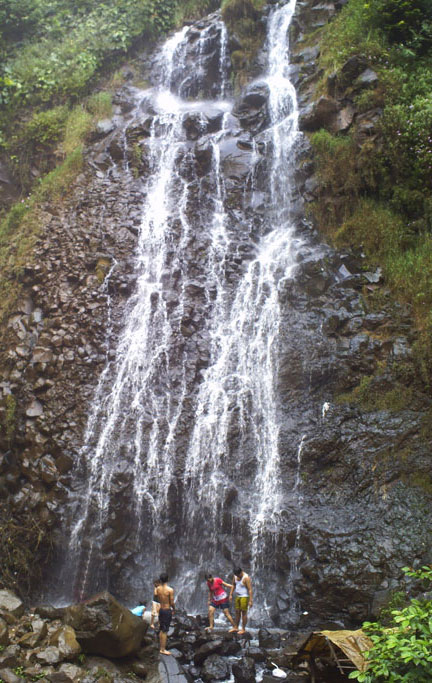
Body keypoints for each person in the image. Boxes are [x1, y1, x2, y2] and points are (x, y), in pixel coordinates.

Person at [155, 572, 175, 655]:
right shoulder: (170, 590)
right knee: (165, 630)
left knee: (161, 628)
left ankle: (160, 647)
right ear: (167, 579)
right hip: (167, 610)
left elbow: (156, 597)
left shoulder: (157, 589)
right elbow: (172, 602)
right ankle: (163, 649)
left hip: (161, 610)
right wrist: (174, 609)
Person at [229, 567, 253, 634]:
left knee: (244, 612)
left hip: (244, 597)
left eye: (238, 575)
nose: (237, 576)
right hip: (238, 596)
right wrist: (230, 594)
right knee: (237, 612)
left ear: (241, 572)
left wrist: (251, 600)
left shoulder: (246, 578)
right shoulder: (235, 576)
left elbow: (250, 589)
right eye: (236, 575)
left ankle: (243, 629)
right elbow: (233, 584)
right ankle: (236, 627)